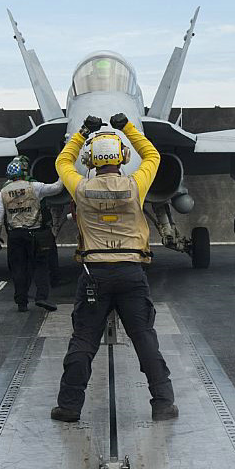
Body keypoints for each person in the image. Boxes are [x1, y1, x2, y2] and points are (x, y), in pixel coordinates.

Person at [50, 113, 178, 423]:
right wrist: (126, 127)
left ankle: (69, 406)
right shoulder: (136, 186)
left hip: (94, 274)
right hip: (132, 272)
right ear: (121, 157)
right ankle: (162, 403)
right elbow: (152, 155)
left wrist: (82, 132)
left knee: (83, 339)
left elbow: (62, 162)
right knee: (144, 337)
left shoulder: (80, 188)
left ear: (91, 160)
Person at [0, 155, 63, 312]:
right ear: (24, 172)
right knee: (40, 266)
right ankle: (42, 297)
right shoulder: (35, 187)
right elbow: (57, 188)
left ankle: (21, 302)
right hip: (35, 234)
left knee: (18, 268)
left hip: (15, 236)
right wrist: (64, 171)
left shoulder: (3, 192)